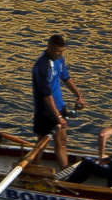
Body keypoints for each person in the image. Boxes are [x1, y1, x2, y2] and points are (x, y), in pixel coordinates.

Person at [31, 34, 86, 169]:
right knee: (42, 143)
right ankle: (32, 170)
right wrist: (59, 117)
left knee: (61, 142)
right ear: (49, 47)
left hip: (59, 106)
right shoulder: (41, 66)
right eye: (57, 51)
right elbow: (47, 96)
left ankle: (65, 172)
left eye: (61, 51)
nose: (59, 54)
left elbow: (66, 78)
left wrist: (78, 95)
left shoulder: (59, 59)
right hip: (45, 111)